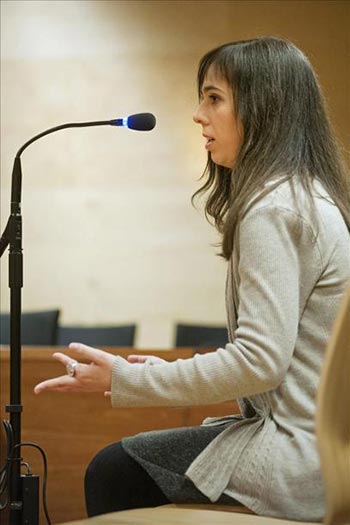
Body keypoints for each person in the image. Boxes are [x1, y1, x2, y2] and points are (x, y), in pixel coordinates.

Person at [34, 37, 350, 521]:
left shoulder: (273, 208)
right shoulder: (311, 198)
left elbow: (260, 363)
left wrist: (130, 378)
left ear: (263, 106)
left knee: (113, 469)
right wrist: (154, 373)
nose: (199, 114)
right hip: (327, 452)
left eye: (214, 97)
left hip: (301, 461)